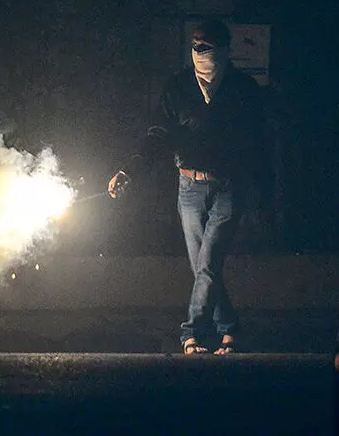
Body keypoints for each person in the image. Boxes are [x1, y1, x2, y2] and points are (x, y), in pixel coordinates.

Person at [108, 19, 269, 355]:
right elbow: (158, 134)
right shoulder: (179, 86)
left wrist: (265, 193)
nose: (199, 52)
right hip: (189, 189)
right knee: (202, 268)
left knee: (208, 264)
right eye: (195, 46)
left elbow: (259, 145)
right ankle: (230, 329)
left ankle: (190, 333)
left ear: (224, 50)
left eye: (206, 46)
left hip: (229, 188)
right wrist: (129, 171)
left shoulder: (243, 89)